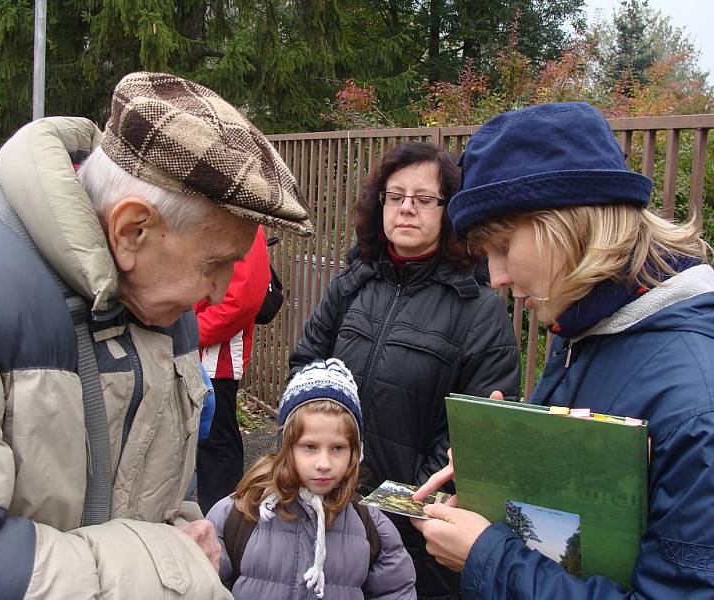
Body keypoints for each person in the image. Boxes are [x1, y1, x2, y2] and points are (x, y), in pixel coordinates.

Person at [0, 72, 312, 599]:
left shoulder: (165, 308)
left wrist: (184, 541)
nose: (219, 294)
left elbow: (169, 502)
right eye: (216, 265)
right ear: (131, 230)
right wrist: (176, 566)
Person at [411, 101, 714, 599]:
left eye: (503, 246)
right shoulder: (588, 330)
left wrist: (489, 556)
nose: (496, 277)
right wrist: (507, 472)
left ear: (570, 224)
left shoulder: (695, 400)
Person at [288, 141, 520, 598]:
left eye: (423, 198)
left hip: (415, 532)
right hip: (326, 502)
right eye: (395, 197)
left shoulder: (479, 310)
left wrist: (397, 504)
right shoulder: (353, 283)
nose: (407, 209)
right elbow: (306, 366)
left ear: (449, 210)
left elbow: (474, 432)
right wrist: (323, 462)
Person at [207, 358, 417, 600]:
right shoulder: (238, 514)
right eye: (310, 446)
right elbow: (206, 587)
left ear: (354, 452)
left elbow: (396, 591)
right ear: (286, 446)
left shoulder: (372, 528)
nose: (324, 464)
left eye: (338, 448)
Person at [196, 226, 271, 513]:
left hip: (217, 356)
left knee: (216, 445)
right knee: (203, 445)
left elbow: (242, 300)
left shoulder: (243, 222)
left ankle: (222, 522)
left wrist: (188, 330)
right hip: (196, 348)